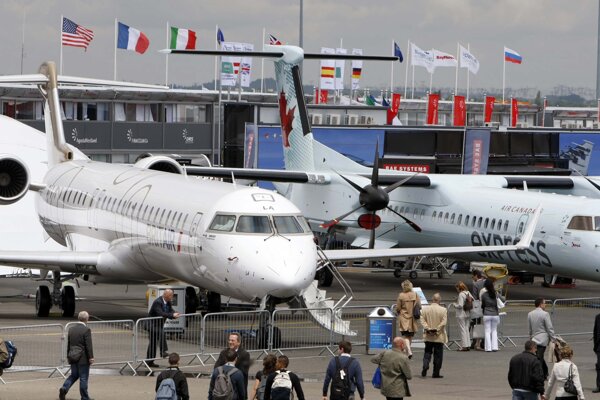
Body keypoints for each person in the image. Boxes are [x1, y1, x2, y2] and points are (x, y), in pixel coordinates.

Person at [59, 311, 94, 400]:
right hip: (83, 358)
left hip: (73, 356)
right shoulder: (86, 330)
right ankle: (85, 397)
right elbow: (88, 345)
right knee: (83, 377)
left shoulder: (71, 329)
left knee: (74, 375)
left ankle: (64, 388)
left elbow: (69, 344)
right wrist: (91, 357)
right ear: (86, 319)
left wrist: (68, 355)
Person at [147, 288, 180, 368]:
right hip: (152, 325)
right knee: (161, 333)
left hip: (158, 324)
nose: (172, 297)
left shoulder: (168, 302)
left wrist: (175, 313)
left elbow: (170, 310)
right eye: (171, 296)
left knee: (153, 344)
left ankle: (149, 362)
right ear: (166, 295)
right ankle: (163, 352)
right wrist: (172, 315)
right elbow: (160, 313)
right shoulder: (158, 302)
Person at [419, 292, 447, 378]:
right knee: (438, 355)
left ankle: (425, 364)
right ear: (439, 300)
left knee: (427, 352)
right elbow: (443, 322)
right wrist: (436, 329)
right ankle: (436, 372)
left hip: (428, 335)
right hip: (438, 336)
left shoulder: (425, 309)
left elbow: (422, 320)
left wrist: (428, 328)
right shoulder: (443, 310)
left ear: (432, 299)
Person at [215, 332, 251, 397]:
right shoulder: (224, 353)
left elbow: (243, 373)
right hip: (223, 390)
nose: (230, 342)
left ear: (238, 342)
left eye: (232, 340)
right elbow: (216, 368)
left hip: (237, 390)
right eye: (229, 340)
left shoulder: (244, 354)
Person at [528, 297, 557, 379]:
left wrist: (530, 337)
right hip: (542, 339)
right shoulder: (545, 314)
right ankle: (541, 375)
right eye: (544, 303)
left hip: (534, 338)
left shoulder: (530, 314)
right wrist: (553, 338)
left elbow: (530, 328)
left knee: (538, 356)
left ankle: (544, 372)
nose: (545, 304)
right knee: (539, 357)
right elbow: (549, 327)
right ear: (540, 304)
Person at [395, 279, 421, 359]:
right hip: (412, 318)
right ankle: (408, 350)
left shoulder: (401, 295)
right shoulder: (415, 294)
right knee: (409, 336)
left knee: (405, 336)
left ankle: (408, 351)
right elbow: (419, 306)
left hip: (403, 317)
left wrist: (397, 311)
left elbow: (398, 308)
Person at [481, 278, 502, 352]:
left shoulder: (484, 295)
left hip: (486, 313)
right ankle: (495, 347)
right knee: (494, 331)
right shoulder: (496, 293)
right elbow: (502, 299)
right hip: (495, 314)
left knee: (487, 331)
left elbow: (482, 304)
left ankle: (488, 348)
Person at [451, 281, 472, 351]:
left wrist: (454, 305)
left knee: (462, 330)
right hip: (468, 312)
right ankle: (468, 344)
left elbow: (460, 305)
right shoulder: (468, 292)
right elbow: (472, 300)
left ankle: (463, 346)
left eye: (456, 288)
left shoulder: (460, 294)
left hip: (461, 314)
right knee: (466, 329)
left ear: (459, 288)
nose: (456, 289)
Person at [470, 269, 485, 350]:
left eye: (473, 276)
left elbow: (475, 297)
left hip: (478, 307)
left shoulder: (475, 284)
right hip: (485, 307)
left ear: (476, 275)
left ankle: (476, 342)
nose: (472, 277)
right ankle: (482, 342)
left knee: (476, 324)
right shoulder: (485, 282)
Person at [594, 313, 600, 393]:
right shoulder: (598, 317)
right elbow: (595, 332)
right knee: (599, 366)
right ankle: (599, 385)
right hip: (599, 346)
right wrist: (595, 346)